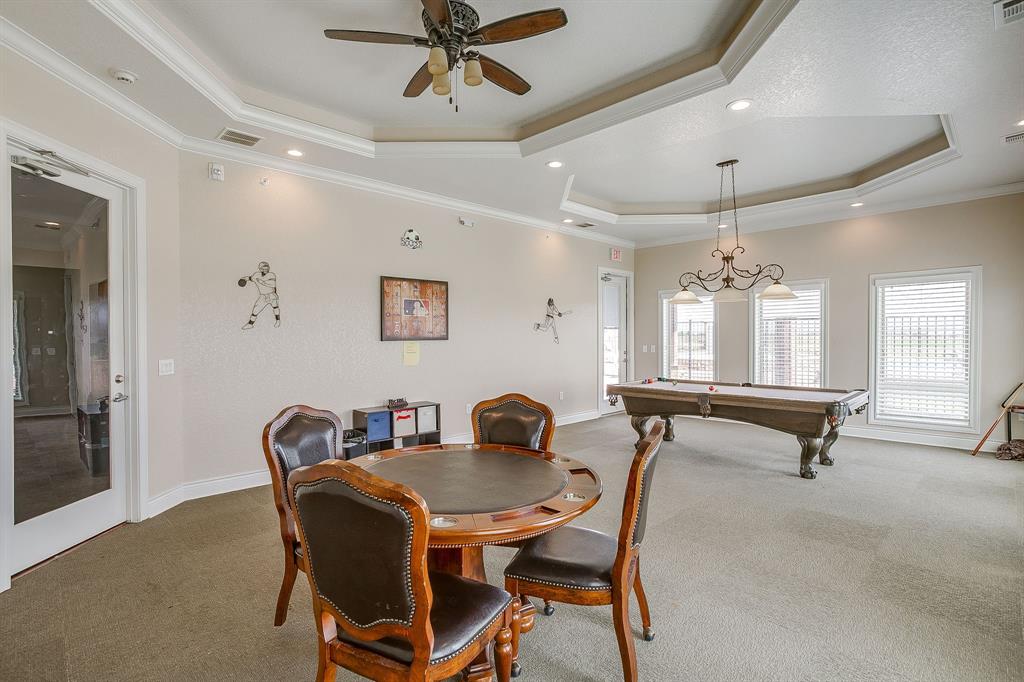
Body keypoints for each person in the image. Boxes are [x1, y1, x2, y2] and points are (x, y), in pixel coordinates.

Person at [241, 261, 280, 329]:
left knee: (275, 307)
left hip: (271, 294)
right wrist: (243, 279)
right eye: (264, 268)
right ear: (260, 269)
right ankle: (250, 324)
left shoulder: (271, 274)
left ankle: (278, 321)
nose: (266, 269)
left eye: (267, 267)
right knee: (255, 310)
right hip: (263, 296)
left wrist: (262, 282)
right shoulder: (256, 275)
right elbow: (250, 278)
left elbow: (273, 284)